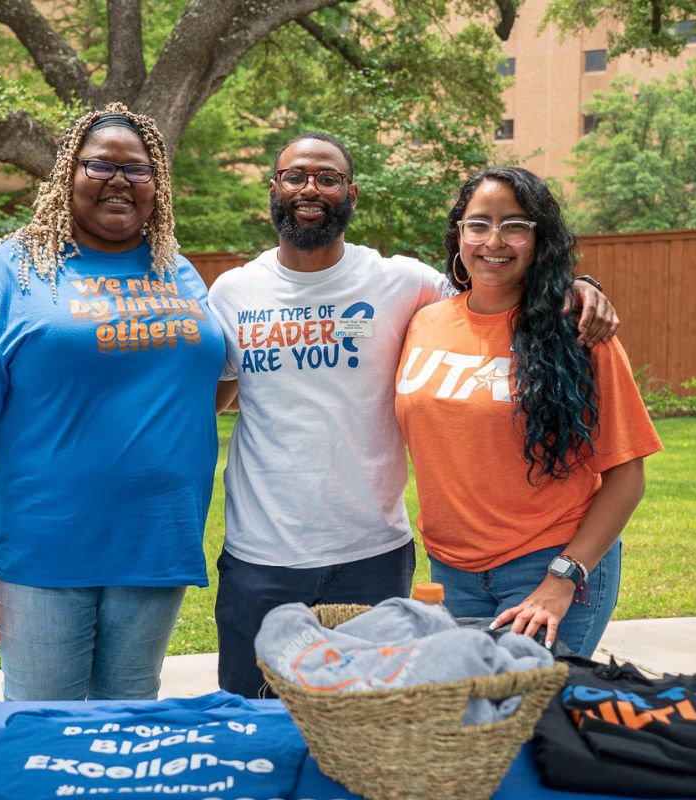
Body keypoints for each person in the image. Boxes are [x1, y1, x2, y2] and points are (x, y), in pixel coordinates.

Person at [207, 133, 619, 697]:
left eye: (327, 178)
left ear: (350, 193)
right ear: (273, 189)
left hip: (374, 553)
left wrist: (577, 286)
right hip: (261, 554)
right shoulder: (231, 291)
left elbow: (498, 286)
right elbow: (218, 391)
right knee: (251, 714)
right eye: (296, 176)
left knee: (376, 718)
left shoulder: (405, 283)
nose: (311, 188)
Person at [0, 103, 225, 701]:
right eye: (100, 165)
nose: (119, 181)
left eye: (137, 170)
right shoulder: (12, 269)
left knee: (130, 720)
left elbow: (208, 373)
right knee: (44, 723)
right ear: (67, 174)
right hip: (46, 543)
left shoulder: (177, 269)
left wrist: (154, 437)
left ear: (156, 185)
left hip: (156, 538)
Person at [395, 166, 663, 657]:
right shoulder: (425, 321)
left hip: (549, 565)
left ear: (540, 240)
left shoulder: (578, 332)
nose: (493, 240)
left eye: (514, 225)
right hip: (450, 572)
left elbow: (628, 476)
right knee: (474, 718)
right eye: (478, 224)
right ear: (459, 234)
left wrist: (564, 576)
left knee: (536, 723)